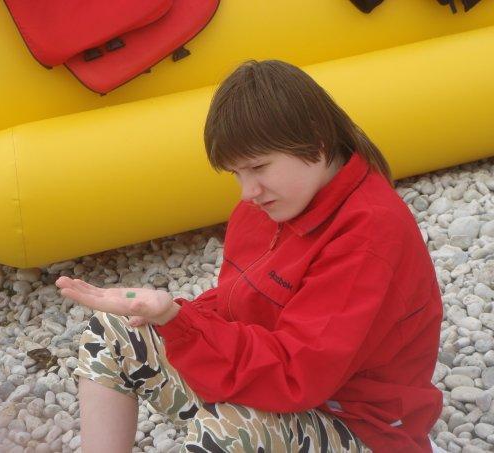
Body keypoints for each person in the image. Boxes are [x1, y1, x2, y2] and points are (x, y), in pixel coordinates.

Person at [56, 59, 443, 452]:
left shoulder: (369, 232)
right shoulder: (268, 206)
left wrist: (178, 322)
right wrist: (168, 315)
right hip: (281, 392)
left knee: (234, 430)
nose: (247, 191)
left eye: (258, 167)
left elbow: (297, 375)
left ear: (316, 141)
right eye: (237, 173)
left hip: (362, 428)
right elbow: (237, 308)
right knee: (117, 330)